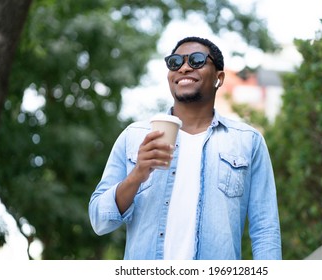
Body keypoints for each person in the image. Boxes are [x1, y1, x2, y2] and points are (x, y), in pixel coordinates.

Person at [89, 36, 282, 260]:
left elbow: (265, 230)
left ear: (219, 78)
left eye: (197, 60)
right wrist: (137, 175)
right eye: (175, 62)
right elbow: (100, 220)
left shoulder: (248, 141)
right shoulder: (135, 137)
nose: (184, 68)